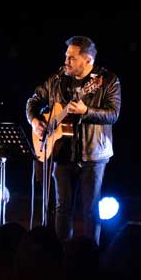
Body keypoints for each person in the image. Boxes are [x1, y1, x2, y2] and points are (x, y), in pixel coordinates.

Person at [26, 36, 121, 244]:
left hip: (93, 155)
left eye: (71, 57)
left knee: (90, 209)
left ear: (87, 60)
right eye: (66, 56)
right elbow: (33, 100)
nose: (66, 60)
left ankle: (90, 256)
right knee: (62, 208)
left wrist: (86, 111)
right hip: (61, 153)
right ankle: (62, 254)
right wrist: (34, 121)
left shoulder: (107, 80)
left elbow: (113, 114)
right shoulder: (57, 79)